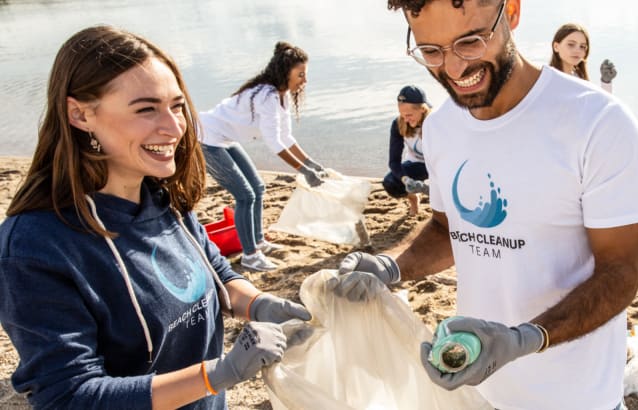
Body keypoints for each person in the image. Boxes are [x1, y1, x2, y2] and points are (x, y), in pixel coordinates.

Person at [333, 0, 638, 408]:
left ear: (513, 13)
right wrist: (391, 266)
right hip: (478, 386)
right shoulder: (443, 127)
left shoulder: (598, 124)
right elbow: (450, 230)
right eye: (431, 51)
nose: (452, 69)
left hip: (576, 393)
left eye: (469, 42)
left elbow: (621, 271)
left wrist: (526, 339)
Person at [0, 26, 312, 409]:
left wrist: (259, 303)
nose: (174, 127)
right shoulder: (36, 246)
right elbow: (70, 396)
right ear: (80, 114)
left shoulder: (162, 197)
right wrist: (216, 374)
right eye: (146, 109)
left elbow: (218, 276)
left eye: (177, 106)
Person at [198, 41, 327, 272]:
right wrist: (304, 171)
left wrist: (310, 162)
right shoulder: (266, 96)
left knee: (258, 187)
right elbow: (274, 143)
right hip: (208, 138)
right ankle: (250, 256)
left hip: (225, 138)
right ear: (285, 71)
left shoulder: (282, 95)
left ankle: (257, 241)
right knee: (245, 195)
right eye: (300, 75)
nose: (304, 81)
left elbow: (285, 136)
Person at [382, 85, 432, 216]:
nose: (406, 119)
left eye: (409, 115)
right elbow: (394, 161)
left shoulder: (435, 122)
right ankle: (413, 199)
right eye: (402, 115)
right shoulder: (398, 124)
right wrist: (405, 180)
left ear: (422, 109)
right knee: (390, 183)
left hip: (439, 164)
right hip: (418, 164)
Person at [549, 23, 617, 93]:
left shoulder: (579, 78)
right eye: (571, 44)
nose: (577, 50)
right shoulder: (548, 80)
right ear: (556, 47)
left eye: (582, 46)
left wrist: (606, 82)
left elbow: (599, 103)